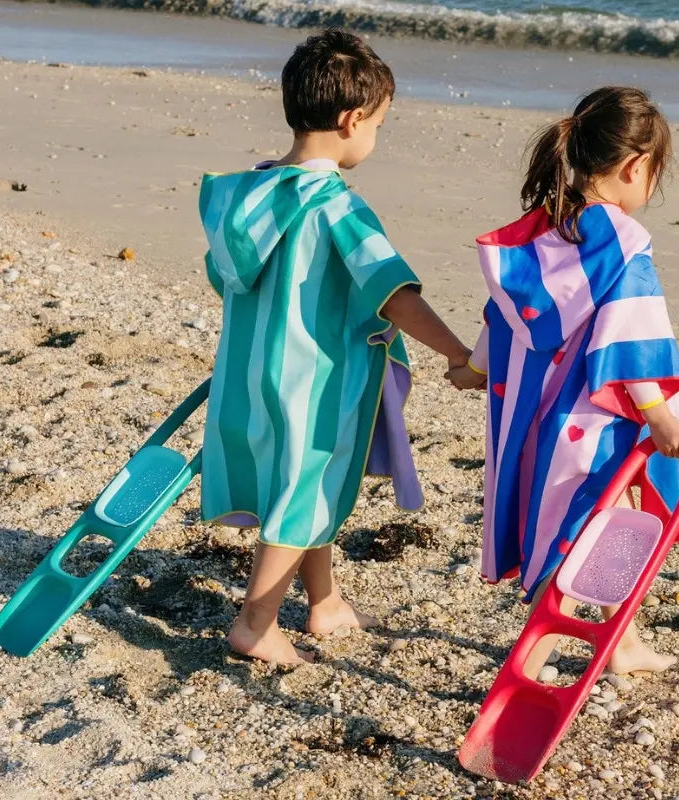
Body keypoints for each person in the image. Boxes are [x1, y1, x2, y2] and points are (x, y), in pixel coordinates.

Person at [199, 29, 470, 665]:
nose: (375, 136)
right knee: (308, 488)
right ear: (352, 121)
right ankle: (256, 620)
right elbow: (394, 292)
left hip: (248, 376)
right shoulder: (336, 205)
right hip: (315, 382)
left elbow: (224, 275)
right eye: (378, 123)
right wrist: (457, 354)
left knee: (298, 484)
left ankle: (324, 600)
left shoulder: (248, 196)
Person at [448, 86, 679, 678]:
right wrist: (658, 410)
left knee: (585, 516)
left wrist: (474, 369)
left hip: (533, 418)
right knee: (588, 521)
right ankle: (528, 664)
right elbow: (628, 332)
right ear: (636, 166)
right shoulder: (624, 242)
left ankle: (624, 642)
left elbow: (504, 312)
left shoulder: (536, 234)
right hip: (592, 416)